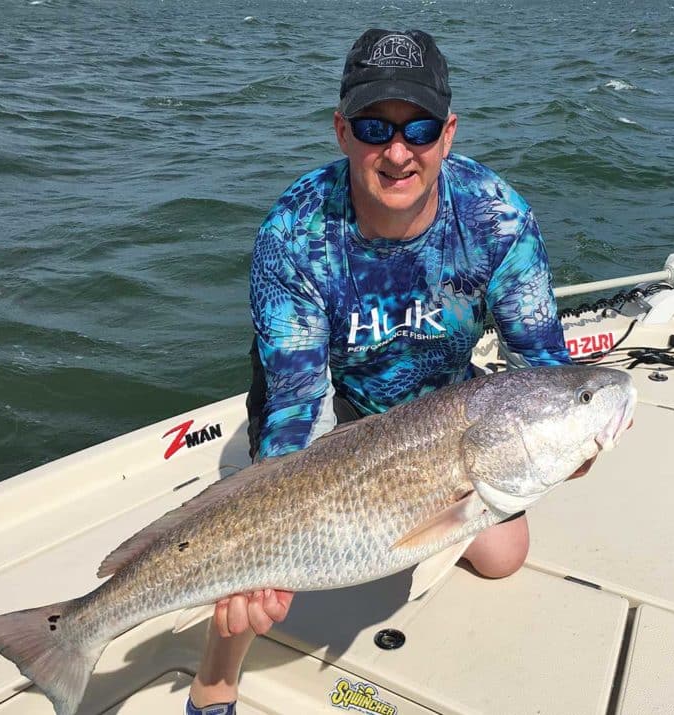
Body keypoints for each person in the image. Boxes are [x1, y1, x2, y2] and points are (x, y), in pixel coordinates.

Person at [186, 28, 571, 715]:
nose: (397, 152)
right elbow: (295, 406)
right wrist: (275, 532)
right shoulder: (294, 235)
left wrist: (575, 445)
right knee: (265, 558)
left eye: (418, 128)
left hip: (441, 415)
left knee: (503, 551)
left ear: (447, 134)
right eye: (374, 127)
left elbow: (540, 368)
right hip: (332, 406)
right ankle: (215, 675)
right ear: (341, 132)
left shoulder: (498, 218)